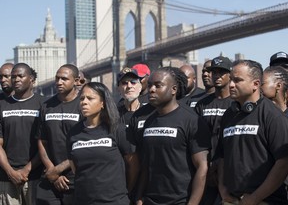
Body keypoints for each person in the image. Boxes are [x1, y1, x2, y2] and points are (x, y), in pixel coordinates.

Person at [135, 67, 211, 205]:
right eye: (151, 85)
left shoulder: (192, 120)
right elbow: (146, 164)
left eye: (158, 85)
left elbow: (202, 167)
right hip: (150, 200)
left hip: (180, 200)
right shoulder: (149, 122)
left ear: (174, 89)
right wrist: (139, 197)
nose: (152, 89)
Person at [217, 59, 288, 204]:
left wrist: (255, 198)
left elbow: (284, 162)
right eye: (231, 79)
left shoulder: (272, 116)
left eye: (237, 80)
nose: (231, 85)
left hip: (264, 200)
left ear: (256, 84)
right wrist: (222, 189)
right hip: (231, 199)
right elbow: (222, 156)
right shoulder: (229, 115)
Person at [67, 82, 138, 205]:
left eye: (90, 98)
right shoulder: (74, 133)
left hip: (114, 201)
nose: (84, 102)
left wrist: (125, 191)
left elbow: (133, 164)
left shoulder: (116, 129)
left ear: (102, 103)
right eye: (82, 98)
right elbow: (75, 168)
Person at [36, 64, 82, 205]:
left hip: (76, 177)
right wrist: (52, 172)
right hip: (50, 177)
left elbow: (84, 144)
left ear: (76, 80)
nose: (59, 82)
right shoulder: (46, 106)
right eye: (57, 78)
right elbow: (42, 142)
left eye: (64, 79)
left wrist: (58, 170)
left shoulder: (83, 105)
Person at [0, 63, 45, 205]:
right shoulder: (2, 105)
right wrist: (10, 172)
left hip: (35, 176)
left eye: (21, 76)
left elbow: (46, 143)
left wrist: (26, 170)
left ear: (31, 79)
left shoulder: (44, 104)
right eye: (13, 77)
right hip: (7, 177)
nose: (16, 79)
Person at [195, 56, 233, 205]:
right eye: (214, 72)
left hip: (230, 168)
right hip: (207, 168)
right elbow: (198, 138)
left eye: (222, 72)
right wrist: (206, 165)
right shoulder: (202, 105)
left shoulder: (235, 104)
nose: (217, 76)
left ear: (230, 75)